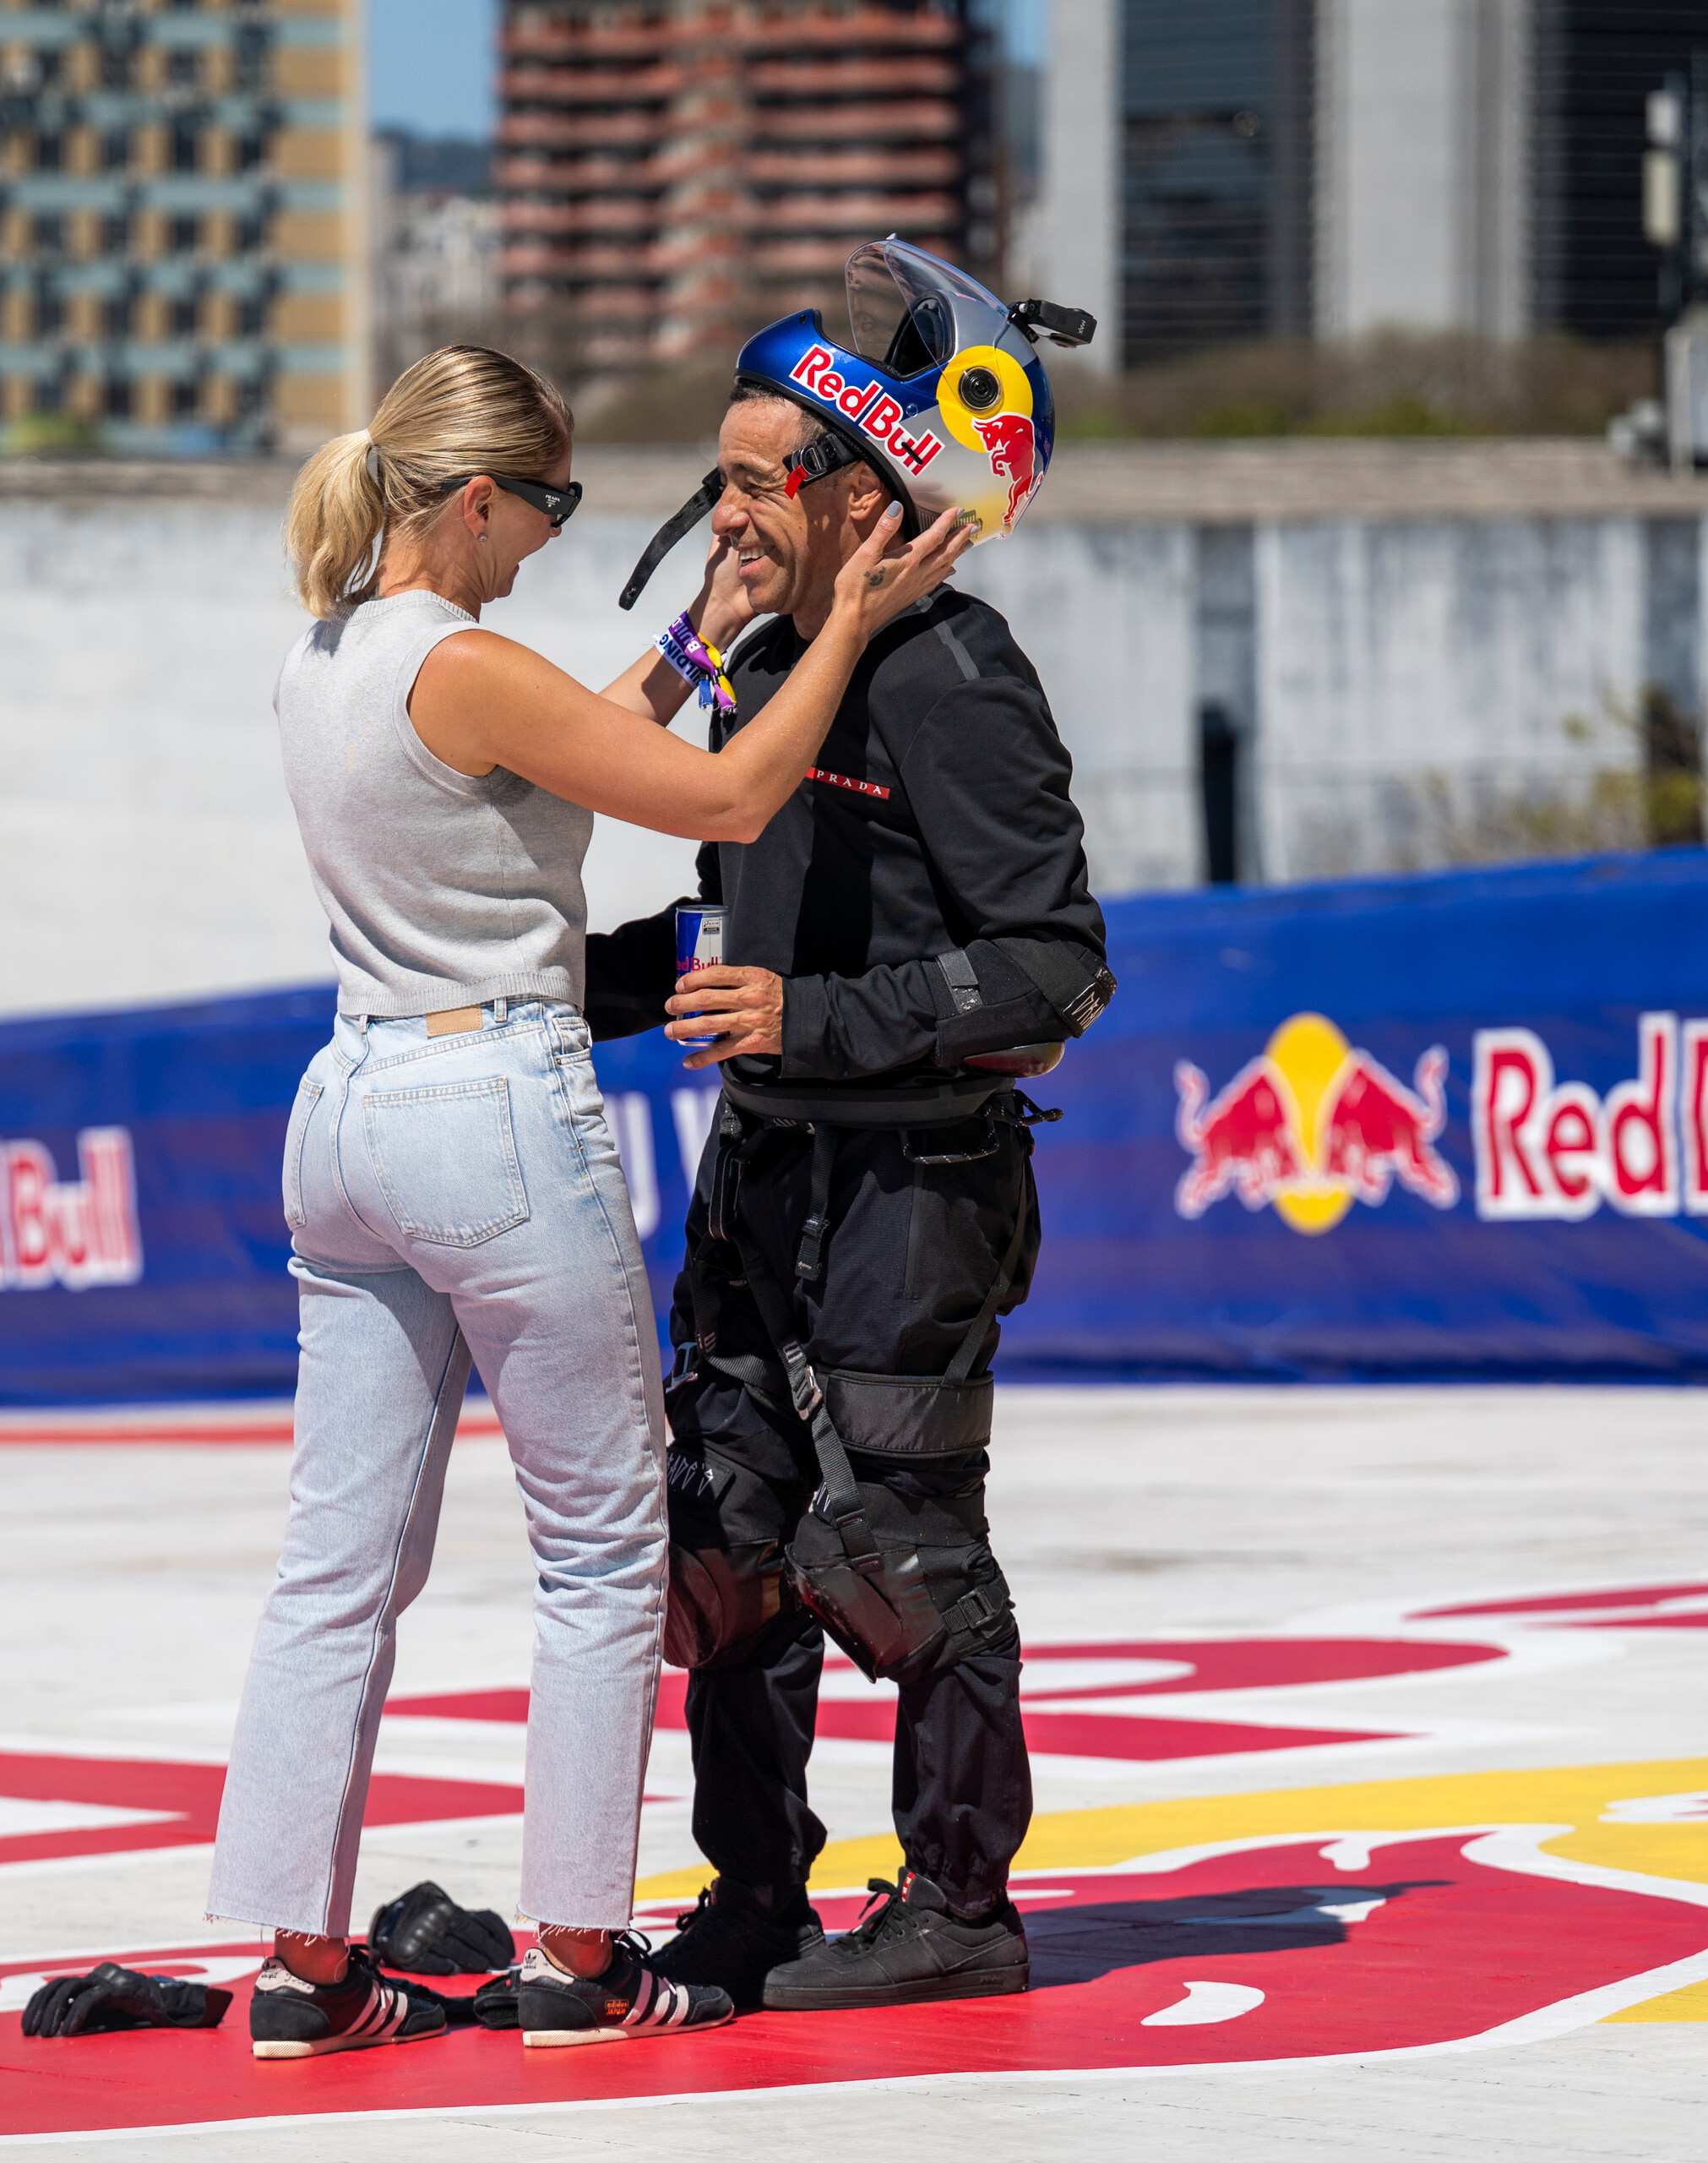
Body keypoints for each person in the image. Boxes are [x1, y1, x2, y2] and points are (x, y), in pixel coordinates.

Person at [205, 344, 974, 2058]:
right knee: (606, 1545)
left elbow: (559, 768)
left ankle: (303, 1970)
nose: (555, 533)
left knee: (335, 1566)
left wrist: (698, 635)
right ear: (474, 494)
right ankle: (578, 1951)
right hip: (489, 1104)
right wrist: (841, 614)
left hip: (347, 1106)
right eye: (546, 502)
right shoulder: (462, 658)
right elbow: (719, 793)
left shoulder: (326, 656)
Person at [586, 242, 1113, 2013]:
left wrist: (812, 1020)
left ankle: (960, 1901)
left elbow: (1055, 963)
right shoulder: (757, 666)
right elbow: (756, 912)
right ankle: (756, 1893)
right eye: (717, 476)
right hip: (765, 1168)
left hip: (915, 1180)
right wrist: (557, 981)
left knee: (894, 1545)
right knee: (725, 1546)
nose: (722, 509)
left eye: (750, 478)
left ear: (850, 489)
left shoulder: (953, 672)